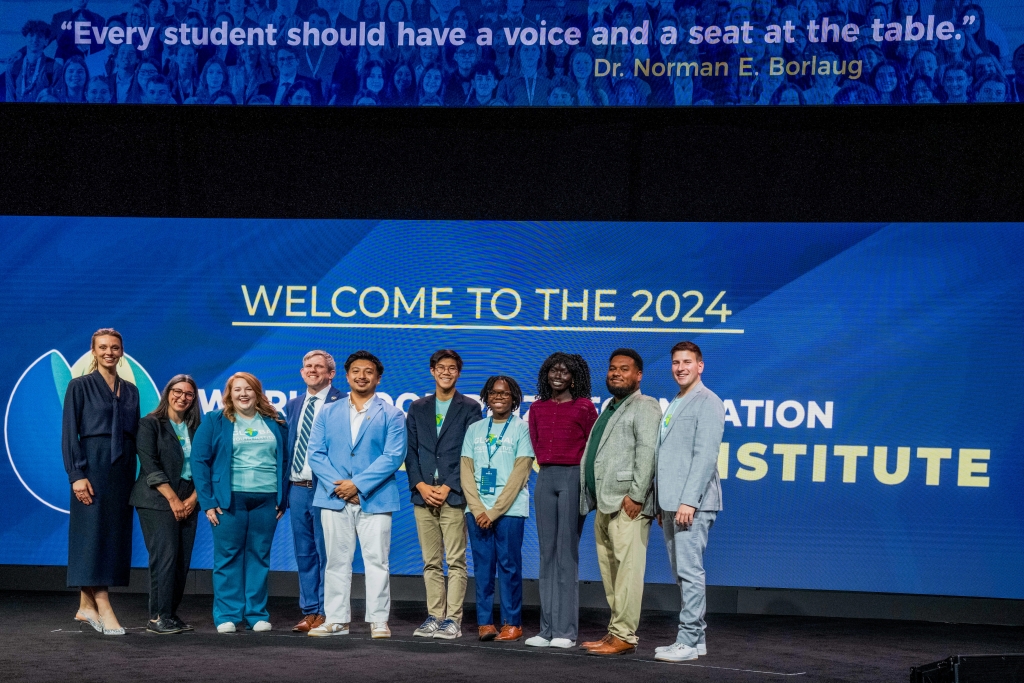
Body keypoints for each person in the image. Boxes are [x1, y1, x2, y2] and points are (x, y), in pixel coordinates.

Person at [307, 351, 406, 639]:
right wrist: (341, 487)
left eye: (368, 372)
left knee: (377, 562)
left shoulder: (392, 413)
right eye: (356, 371)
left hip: (375, 498)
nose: (362, 376)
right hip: (334, 497)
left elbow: (392, 456)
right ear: (347, 376)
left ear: (378, 377)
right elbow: (315, 453)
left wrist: (358, 485)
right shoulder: (328, 411)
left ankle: (378, 620)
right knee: (336, 561)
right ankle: (337, 620)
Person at [192, 372, 289, 633]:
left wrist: (284, 498)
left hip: (266, 500)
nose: (243, 394)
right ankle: (227, 615)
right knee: (227, 558)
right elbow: (199, 462)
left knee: (259, 557)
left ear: (257, 392)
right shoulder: (214, 421)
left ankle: (256, 614)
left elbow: (286, 462)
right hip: (229, 500)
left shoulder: (275, 422)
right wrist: (207, 501)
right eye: (237, 390)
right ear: (229, 394)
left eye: (248, 389)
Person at [579, 348, 660, 656]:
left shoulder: (645, 405)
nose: (616, 373)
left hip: (628, 504)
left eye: (624, 369)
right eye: (613, 368)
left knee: (627, 572)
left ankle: (625, 634)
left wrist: (638, 495)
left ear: (638, 375)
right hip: (605, 504)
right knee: (612, 573)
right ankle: (616, 632)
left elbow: (647, 452)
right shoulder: (610, 407)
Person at [61, 329, 140, 636]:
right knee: (90, 537)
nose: (109, 352)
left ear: (122, 352)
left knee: (111, 537)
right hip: (91, 467)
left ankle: (85, 605)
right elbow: (70, 432)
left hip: (122, 470)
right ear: (93, 351)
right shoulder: (79, 386)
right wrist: (76, 474)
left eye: (115, 347)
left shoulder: (131, 390)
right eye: (103, 347)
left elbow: (135, 432)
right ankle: (104, 605)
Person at [652, 342, 725, 663]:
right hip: (671, 502)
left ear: (700, 366)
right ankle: (697, 640)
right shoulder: (676, 401)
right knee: (681, 572)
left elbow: (705, 457)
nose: (680, 367)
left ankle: (686, 639)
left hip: (691, 503)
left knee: (690, 572)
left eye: (687, 362)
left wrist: (688, 502)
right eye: (675, 362)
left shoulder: (708, 402)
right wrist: (661, 501)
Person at [405, 350, 482, 639]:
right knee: (430, 561)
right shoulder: (417, 407)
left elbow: (470, 451)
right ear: (432, 371)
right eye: (441, 368)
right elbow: (410, 452)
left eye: (452, 368)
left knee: (457, 561)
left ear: (458, 373)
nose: (446, 372)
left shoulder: (470, 407)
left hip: (453, 494)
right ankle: (434, 616)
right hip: (423, 495)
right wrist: (421, 486)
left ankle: (453, 620)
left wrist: (449, 486)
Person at [524, 353, 597, 648]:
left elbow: (592, 448)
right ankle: (546, 630)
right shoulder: (537, 408)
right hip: (545, 478)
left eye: (564, 371)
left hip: (572, 478)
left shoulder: (585, 407)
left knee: (566, 556)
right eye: (553, 370)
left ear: (574, 377)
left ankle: (565, 631)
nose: (558, 375)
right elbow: (536, 441)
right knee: (547, 555)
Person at [461, 376, 535, 642]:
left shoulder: (522, 429)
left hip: (510, 510)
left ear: (514, 397)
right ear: (486, 397)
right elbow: (466, 471)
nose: (499, 397)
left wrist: (493, 512)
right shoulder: (475, 429)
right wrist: (478, 507)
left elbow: (520, 472)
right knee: (483, 568)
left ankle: (511, 623)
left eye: (505, 393)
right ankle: (485, 623)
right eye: (493, 393)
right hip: (477, 510)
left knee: (509, 567)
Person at [130, 375, 202, 635]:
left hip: (189, 498)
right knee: (165, 558)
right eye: (178, 391)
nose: (183, 397)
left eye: (189, 394)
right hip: (157, 499)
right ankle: (157, 617)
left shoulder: (197, 427)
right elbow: (151, 466)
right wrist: (174, 500)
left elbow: (205, 468)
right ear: (167, 392)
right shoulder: (150, 424)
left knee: (182, 561)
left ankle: (170, 614)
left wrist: (193, 500)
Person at [284, 350, 343, 633]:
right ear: (301, 371)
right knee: (304, 553)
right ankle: (309, 611)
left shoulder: (342, 402)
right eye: (308, 365)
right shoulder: (294, 404)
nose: (312, 370)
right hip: (297, 488)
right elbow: (287, 450)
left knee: (327, 553)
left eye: (319, 367)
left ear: (331, 374)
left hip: (327, 489)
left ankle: (327, 611)